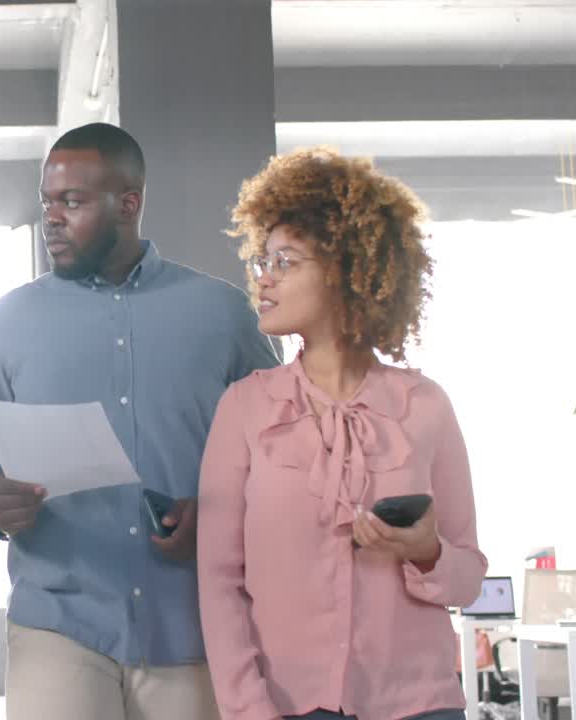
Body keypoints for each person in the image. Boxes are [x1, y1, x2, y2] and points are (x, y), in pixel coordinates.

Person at [0, 122, 279, 720]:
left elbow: (279, 449)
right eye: (47, 201)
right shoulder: (9, 321)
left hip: (194, 628)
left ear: (129, 203)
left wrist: (225, 517)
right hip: (58, 626)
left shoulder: (222, 314)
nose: (52, 217)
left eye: (71, 201)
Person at [196, 147, 486, 720]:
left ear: (342, 269)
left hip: (420, 705)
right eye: (262, 260)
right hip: (283, 707)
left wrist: (425, 552)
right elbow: (218, 581)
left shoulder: (425, 407)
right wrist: (249, 709)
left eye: (284, 262)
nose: (263, 279)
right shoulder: (245, 408)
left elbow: (468, 577)